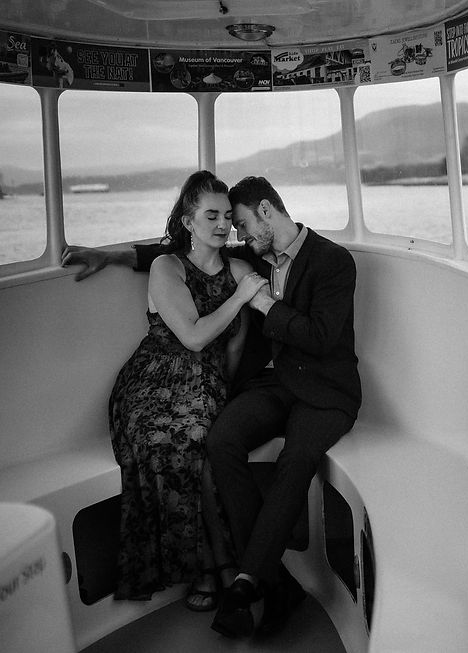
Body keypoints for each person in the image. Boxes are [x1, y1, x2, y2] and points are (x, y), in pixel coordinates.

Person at [63, 175, 362, 639]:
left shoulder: (333, 261)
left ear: (266, 212)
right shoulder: (252, 257)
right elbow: (177, 255)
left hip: (325, 392)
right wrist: (113, 255)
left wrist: (262, 304)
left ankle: (245, 582)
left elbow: (321, 338)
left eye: (238, 223)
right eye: (223, 221)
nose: (234, 233)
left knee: (295, 459)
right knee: (221, 441)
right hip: (274, 384)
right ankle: (271, 580)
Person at [106, 170, 267, 606]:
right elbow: (193, 337)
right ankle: (216, 567)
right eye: (210, 215)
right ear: (187, 220)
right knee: (164, 443)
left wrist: (224, 388)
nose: (221, 224)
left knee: (204, 440)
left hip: (207, 380)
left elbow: (233, 344)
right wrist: (238, 297)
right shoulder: (167, 266)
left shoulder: (238, 267)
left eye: (227, 216)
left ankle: (216, 567)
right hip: (153, 379)